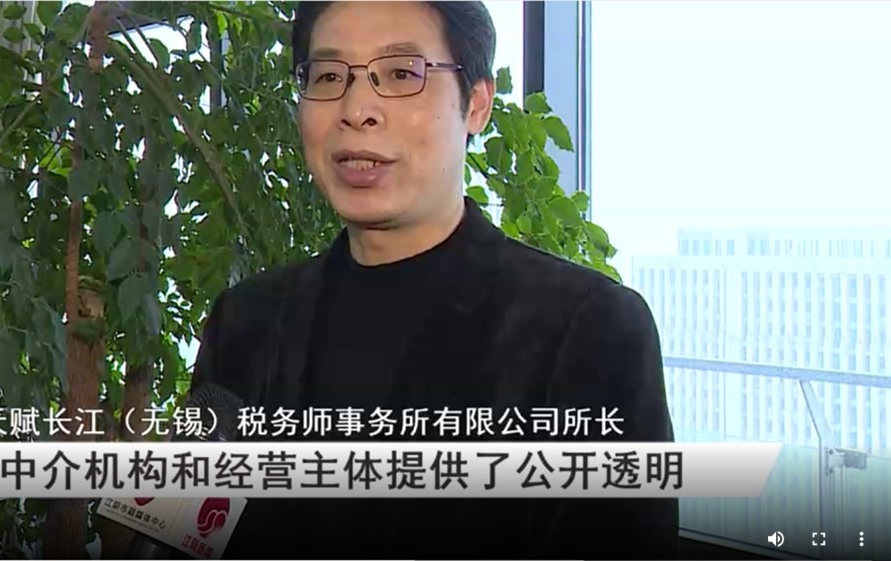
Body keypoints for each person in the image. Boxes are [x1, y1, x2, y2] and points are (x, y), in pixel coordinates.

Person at [189, 1, 678, 559]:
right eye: (327, 76)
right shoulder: (245, 321)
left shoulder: (589, 331)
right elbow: (181, 532)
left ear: (476, 105)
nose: (357, 109)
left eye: (401, 73)